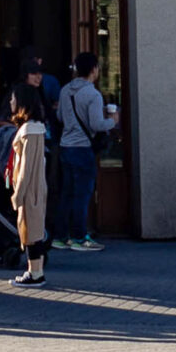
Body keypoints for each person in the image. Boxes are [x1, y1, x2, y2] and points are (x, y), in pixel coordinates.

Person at [55, 51, 117, 251]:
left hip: (66, 146)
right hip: (82, 148)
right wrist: (113, 121)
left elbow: (60, 117)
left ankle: (61, 237)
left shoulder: (65, 91)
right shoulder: (93, 94)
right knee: (82, 194)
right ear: (93, 70)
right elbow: (97, 124)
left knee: (66, 193)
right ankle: (80, 237)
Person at [6, 84, 52, 285]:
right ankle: (35, 271)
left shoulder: (29, 130)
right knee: (34, 228)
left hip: (30, 187)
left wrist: (19, 193)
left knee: (30, 230)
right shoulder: (35, 128)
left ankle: (35, 273)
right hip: (35, 185)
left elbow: (26, 165)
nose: (11, 102)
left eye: (13, 98)